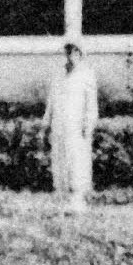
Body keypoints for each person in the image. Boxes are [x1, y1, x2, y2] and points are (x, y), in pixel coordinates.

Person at [46, 42, 100, 207]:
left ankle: (78, 199)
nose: (71, 55)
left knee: (77, 161)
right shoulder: (58, 75)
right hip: (59, 124)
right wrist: (47, 121)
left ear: (80, 53)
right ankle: (62, 197)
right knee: (60, 159)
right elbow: (51, 101)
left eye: (75, 51)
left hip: (77, 126)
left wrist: (88, 125)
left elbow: (91, 105)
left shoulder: (86, 75)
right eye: (68, 51)